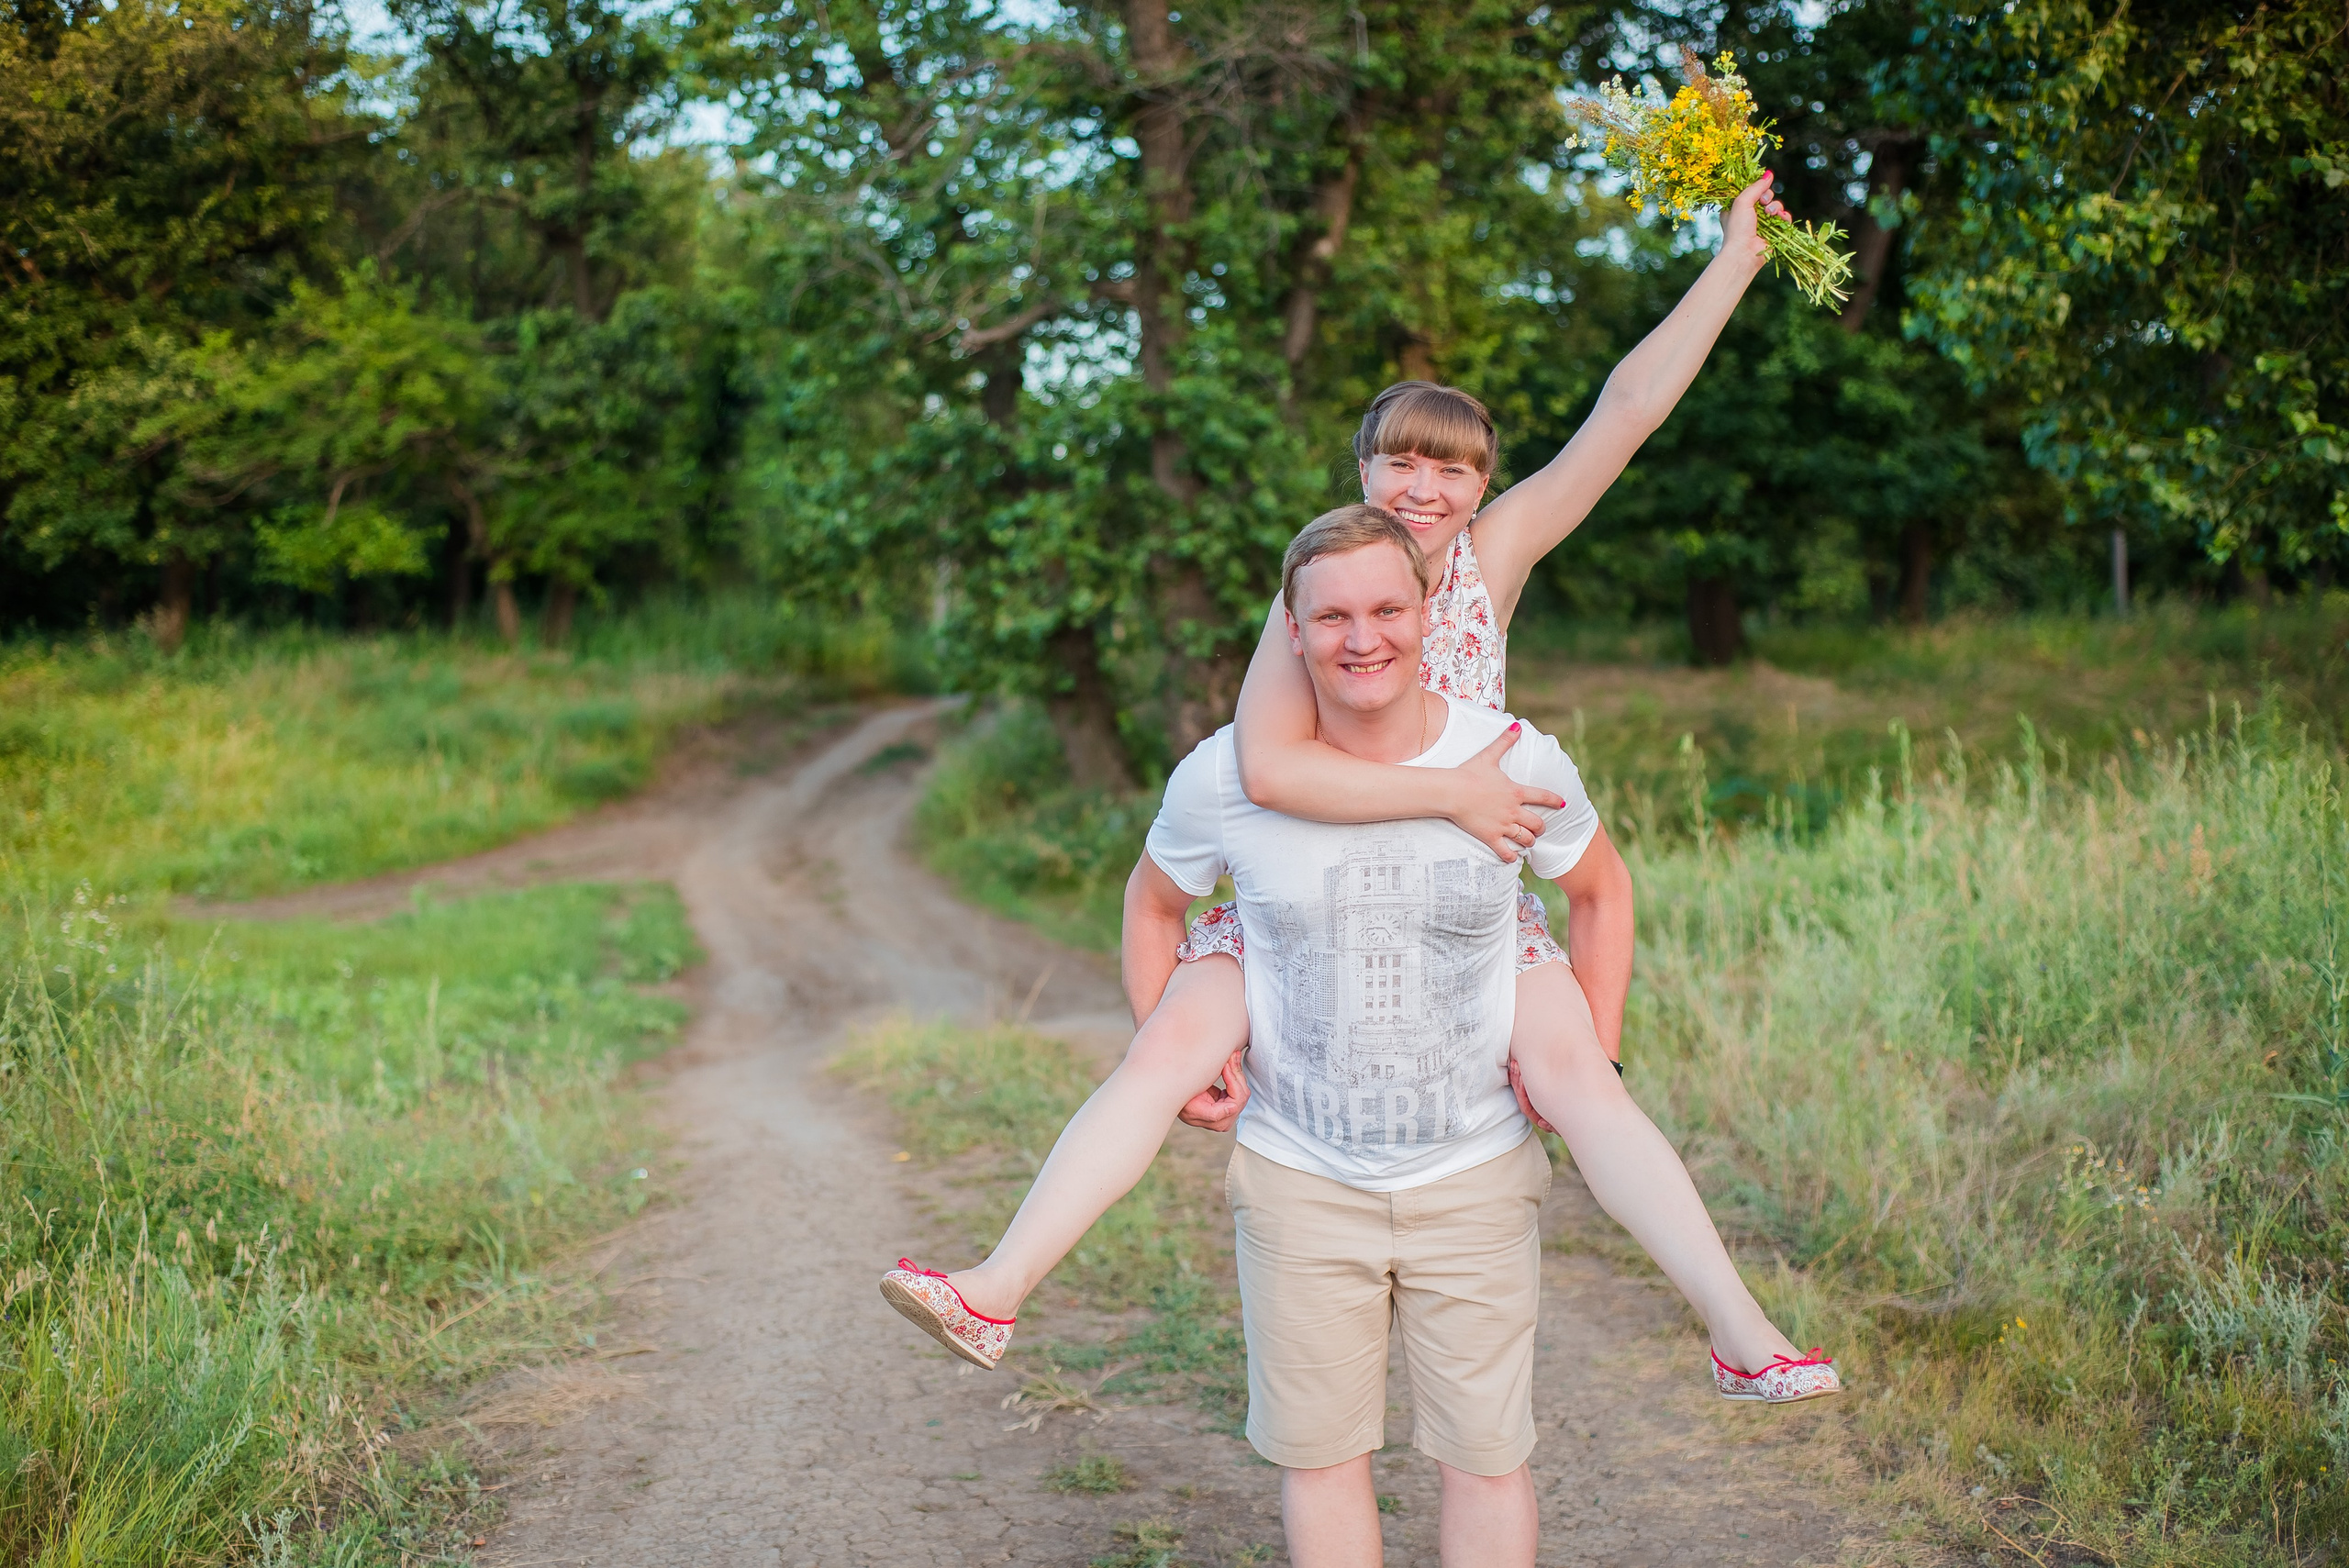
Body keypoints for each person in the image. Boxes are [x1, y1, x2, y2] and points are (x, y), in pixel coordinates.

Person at [883, 172, 1839, 1398]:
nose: (1422, 490)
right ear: (1363, 472)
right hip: (1316, 880)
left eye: (1450, 471)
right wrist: (1447, 797)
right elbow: (1271, 773)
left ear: (1484, 487)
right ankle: (994, 1289)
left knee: (1587, 1085)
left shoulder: (1493, 558)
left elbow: (1628, 408)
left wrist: (1739, 259)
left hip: (1463, 889)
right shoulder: (1329, 597)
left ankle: (1743, 1333)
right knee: (1167, 1045)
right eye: (1397, 464)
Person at [887, 511, 1830, 1566]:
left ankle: (1743, 1336)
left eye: (1386, 607)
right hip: (1301, 1179)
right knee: (1320, 1462)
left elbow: (1602, 890)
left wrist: (1590, 1052)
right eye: (1330, 614)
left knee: (1484, 1460)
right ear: (1289, 632)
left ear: (1431, 613)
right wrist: (1181, 1042)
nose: (1361, 635)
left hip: (1471, 1173)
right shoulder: (1224, 779)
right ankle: (995, 1287)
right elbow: (1152, 904)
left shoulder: (1514, 760)